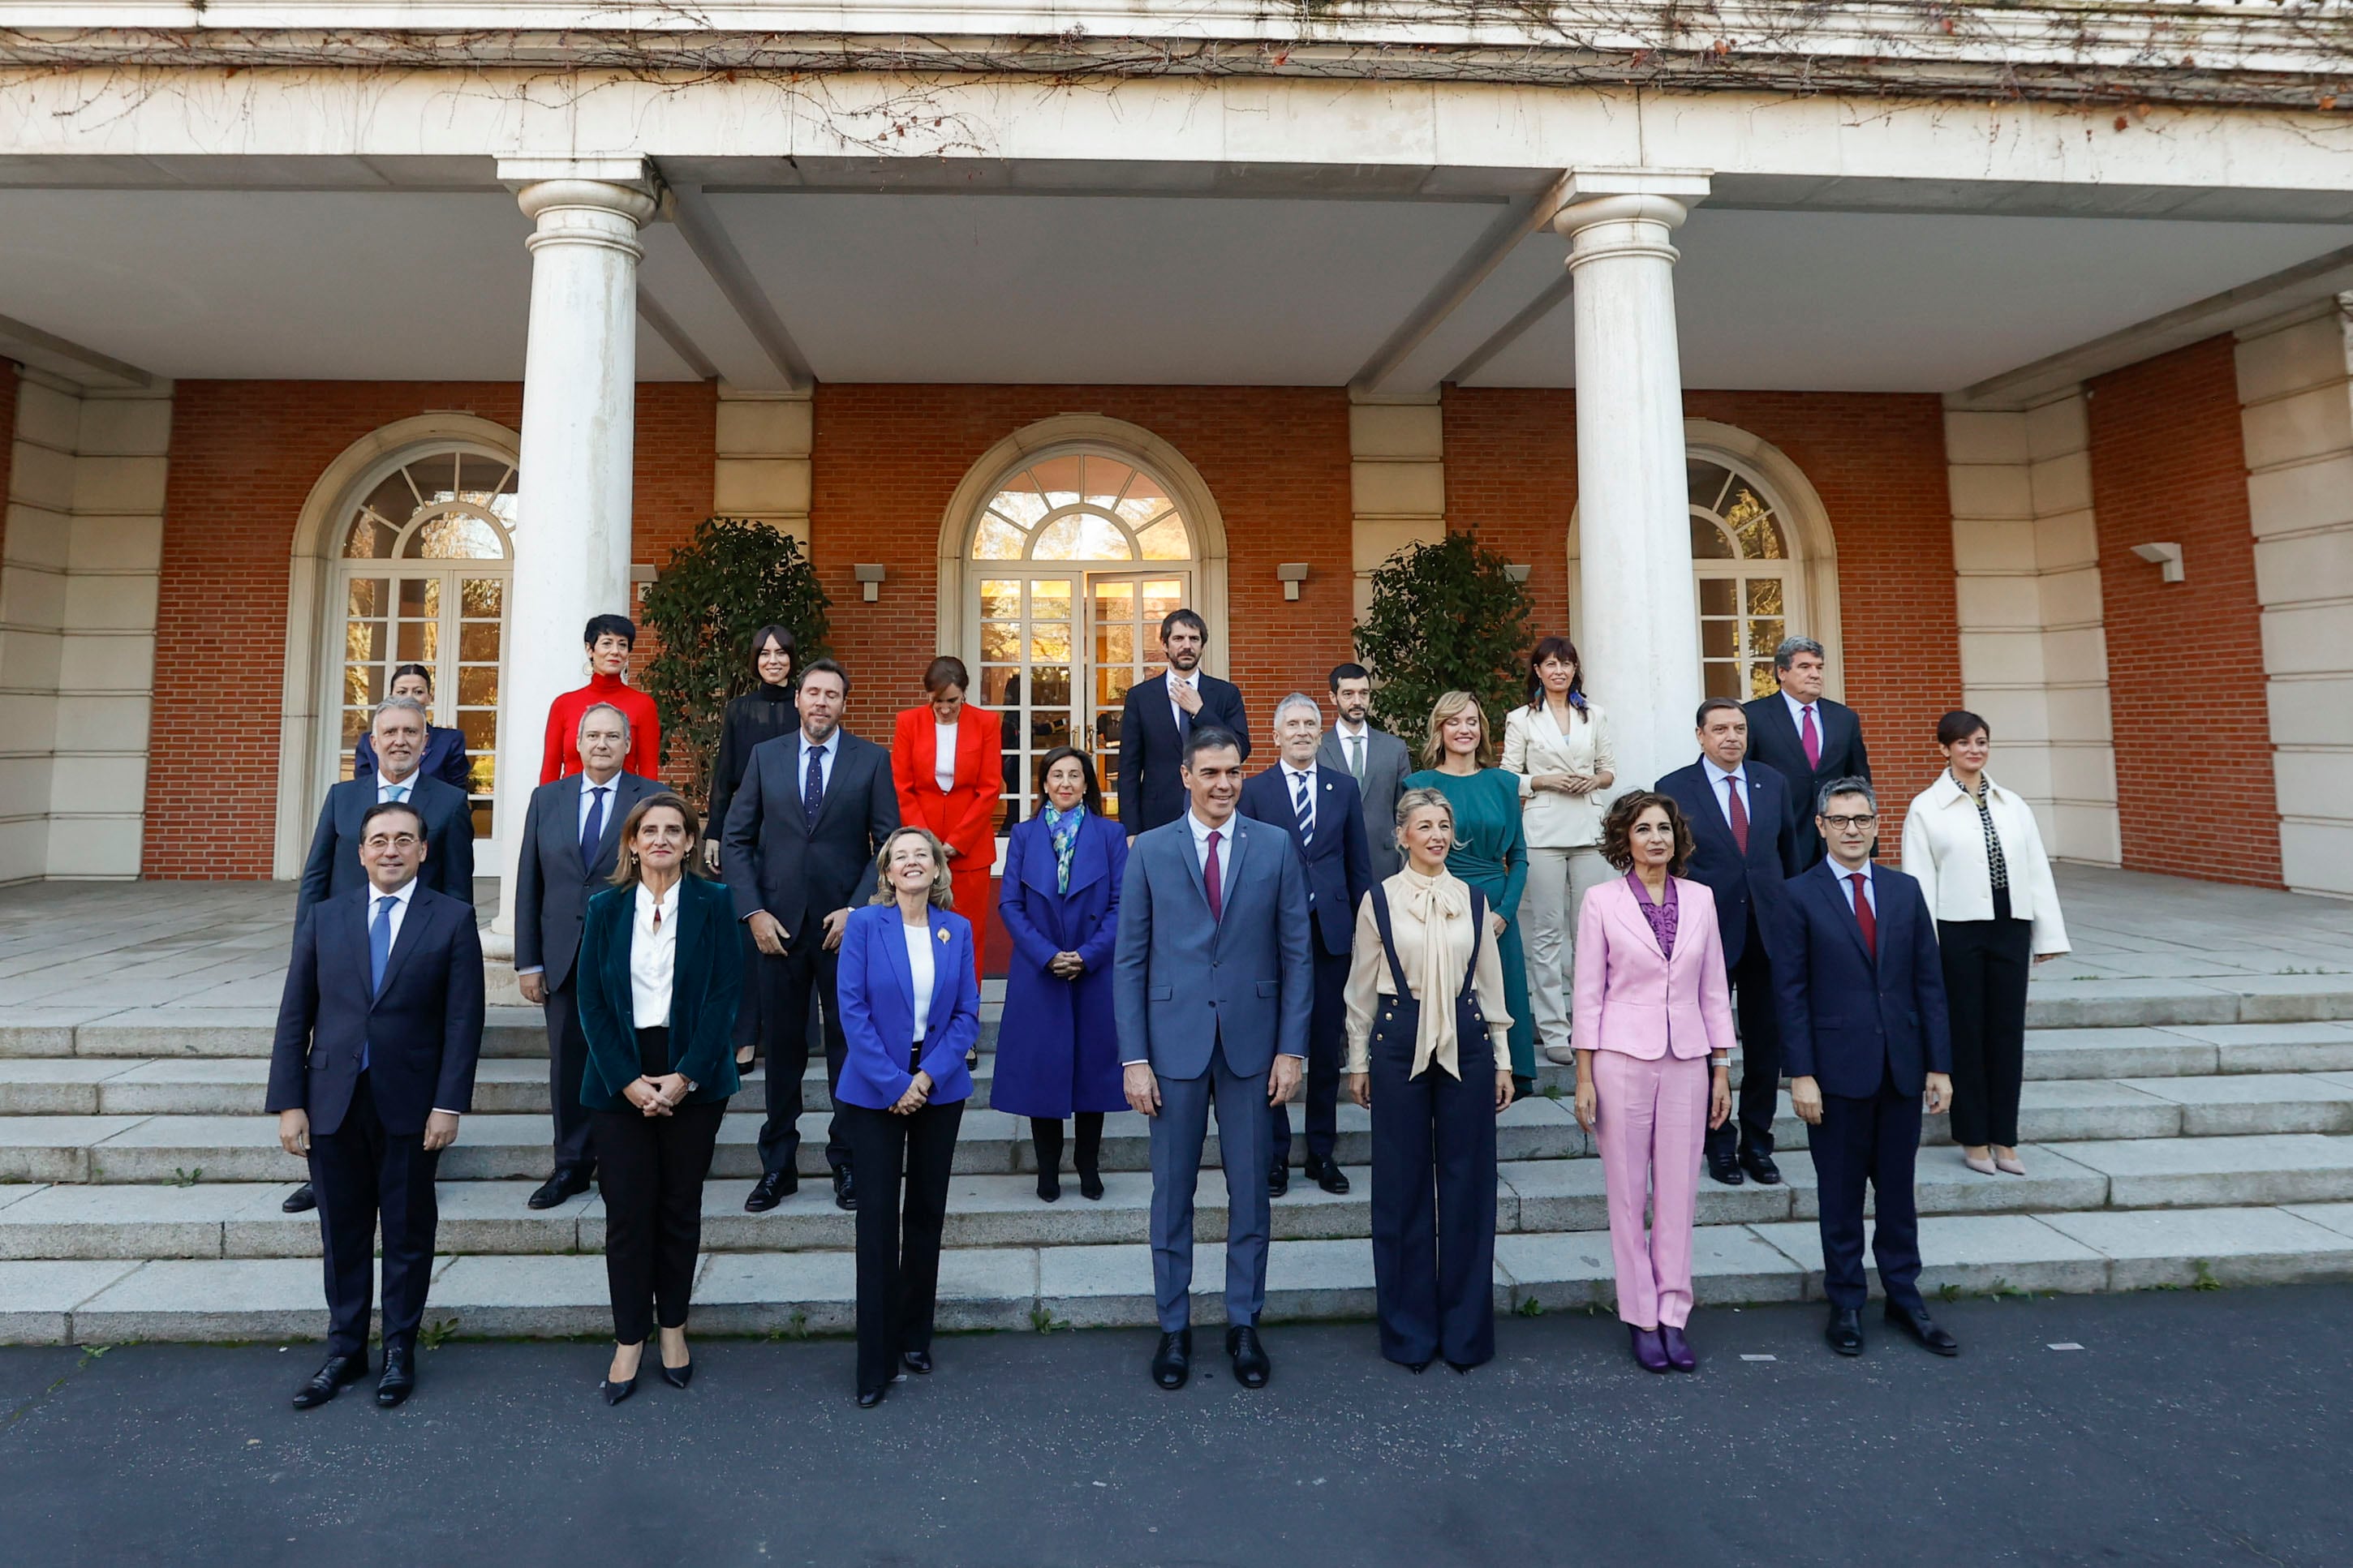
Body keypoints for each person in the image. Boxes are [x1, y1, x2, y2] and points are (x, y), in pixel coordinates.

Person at [269, 798, 484, 1410]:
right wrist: (289, 1101)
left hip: (412, 1105)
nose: (391, 849)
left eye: (403, 840)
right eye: (379, 839)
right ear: (361, 851)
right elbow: (295, 1015)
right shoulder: (325, 917)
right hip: (332, 1100)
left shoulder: (451, 918)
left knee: (410, 1230)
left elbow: (464, 1020)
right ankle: (343, 1349)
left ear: (422, 850)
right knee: (342, 1232)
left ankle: (398, 1348)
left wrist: (449, 1104)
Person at [1115, 727, 1311, 1392]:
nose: (1223, 784)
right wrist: (1133, 1057)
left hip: (1255, 1049)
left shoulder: (1276, 846)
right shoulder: (1149, 852)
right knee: (1172, 1194)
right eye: (1210, 772)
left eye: (1232, 771)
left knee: (1251, 1193)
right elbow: (1130, 960)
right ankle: (1174, 1328)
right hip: (1171, 1048)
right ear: (1185, 776)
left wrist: (1293, 1047)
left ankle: (1242, 1323)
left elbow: (1296, 955)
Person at [1775, 778, 1959, 1359]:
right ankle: (1847, 1300)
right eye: (1840, 819)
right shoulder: (1798, 894)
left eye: (1862, 818)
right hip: (1834, 1073)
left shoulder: (1904, 892)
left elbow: (1928, 983)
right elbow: (1791, 992)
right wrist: (1800, 1073)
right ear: (1821, 826)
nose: (1852, 829)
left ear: (1877, 824)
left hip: (1902, 1069)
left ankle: (1905, 1296)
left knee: (1898, 1193)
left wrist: (1939, 1064)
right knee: (1840, 1193)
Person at [575, 793, 743, 1403]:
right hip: (618, 1077)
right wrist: (628, 1080)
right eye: (650, 830)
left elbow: (727, 993)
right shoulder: (604, 906)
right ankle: (628, 1338)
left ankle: (672, 1329)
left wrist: (685, 1076)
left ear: (692, 841)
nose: (662, 839)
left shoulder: (716, 902)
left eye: (675, 829)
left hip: (691, 1079)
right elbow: (590, 1000)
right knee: (626, 1215)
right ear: (632, 841)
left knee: (678, 1208)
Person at [1344, 787, 1515, 1373]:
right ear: (1402, 835)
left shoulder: (1473, 897)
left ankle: (1466, 1334)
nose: (1438, 834)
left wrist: (1503, 1055)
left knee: (1469, 1186)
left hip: (1465, 1040)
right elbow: (1360, 988)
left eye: (1445, 824)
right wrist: (1357, 1060)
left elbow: (1489, 981)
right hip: (1398, 1041)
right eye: (1425, 825)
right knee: (1401, 1188)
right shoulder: (1380, 901)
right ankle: (1408, 1332)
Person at [721, 658, 899, 1214]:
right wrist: (752, 912)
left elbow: (889, 843)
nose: (822, 702)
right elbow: (735, 838)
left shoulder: (870, 760)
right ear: (798, 699)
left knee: (848, 1049)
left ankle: (846, 1161)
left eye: (833, 695)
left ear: (845, 704)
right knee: (784, 1054)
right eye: (813, 693)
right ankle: (778, 1165)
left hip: (846, 931)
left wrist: (860, 910)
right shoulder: (764, 757)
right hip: (777, 930)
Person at [1571, 792, 1733, 1374]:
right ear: (1625, 840)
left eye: (1665, 827)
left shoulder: (1702, 899)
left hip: (1688, 1058)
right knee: (1627, 1195)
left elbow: (1715, 988)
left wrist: (1722, 1068)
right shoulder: (1600, 902)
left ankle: (1673, 1313)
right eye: (1643, 829)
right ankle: (1641, 1316)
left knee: (1677, 1196)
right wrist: (1584, 1075)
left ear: (1677, 837)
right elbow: (1588, 993)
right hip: (1620, 1059)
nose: (1656, 838)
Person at [833, 827, 981, 1407]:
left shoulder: (958, 929)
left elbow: (968, 1014)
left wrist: (925, 1079)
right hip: (874, 1092)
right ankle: (874, 1359)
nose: (913, 862)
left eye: (923, 854)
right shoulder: (866, 926)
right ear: (888, 872)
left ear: (937, 868)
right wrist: (896, 1082)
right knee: (876, 1223)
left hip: (938, 1090)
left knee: (924, 1215)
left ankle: (915, 1336)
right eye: (902, 856)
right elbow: (852, 1009)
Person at [1901, 711, 2071, 1178]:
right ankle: (1973, 1137)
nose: (1974, 750)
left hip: (2009, 928)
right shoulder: (1926, 808)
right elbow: (1919, 881)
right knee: (1967, 1035)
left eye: (1981, 741)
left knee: (2005, 1033)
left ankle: (2005, 1138)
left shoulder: (2013, 804)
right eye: (1963, 743)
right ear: (1944, 749)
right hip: (1957, 931)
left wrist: (2048, 934)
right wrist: (1925, 948)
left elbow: (2036, 868)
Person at [513, 703, 661, 1210]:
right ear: (576, 744)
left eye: (612, 736)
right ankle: (572, 1165)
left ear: (627, 745)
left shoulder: (652, 800)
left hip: (632, 954)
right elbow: (530, 884)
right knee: (569, 1063)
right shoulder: (546, 798)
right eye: (593, 735)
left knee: (626, 1057)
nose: (602, 744)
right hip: (563, 955)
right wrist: (528, 961)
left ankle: (624, 1164)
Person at [1656, 698, 1800, 1188]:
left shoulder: (1772, 783)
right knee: (1704, 1045)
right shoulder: (1673, 789)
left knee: (1765, 1046)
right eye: (1719, 729)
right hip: (1705, 933)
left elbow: (1791, 860)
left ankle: (1757, 1143)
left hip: (1767, 934)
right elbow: (1669, 867)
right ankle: (1717, 1142)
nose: (1731, 737)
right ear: (1700, 735)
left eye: (1738, 728)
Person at [1241, 692, 1371, 1197]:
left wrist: (1367, 930)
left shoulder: (1344, 788)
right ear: (1275, 735)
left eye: (1309, 724)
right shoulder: (1254, 791)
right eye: (1291, 724)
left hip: (1331, 935)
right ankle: (1276, 1156)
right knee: (1275, 1045)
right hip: (1270, 937)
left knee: (1323, 1046)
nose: (1301, 731)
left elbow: (1358, 863)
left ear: (1322, 733)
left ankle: (1321, 1154)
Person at [995, 747, 1127, 1203]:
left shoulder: (1112, 835)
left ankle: (1088, 1165)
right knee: (1042, 1071)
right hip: (1039, 970)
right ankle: (1047, 1170)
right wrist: (1047, 955)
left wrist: (1087, 955)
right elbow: (1009, 904)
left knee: (1094, 1071)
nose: (1066, 782)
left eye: (1075, 775)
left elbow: (1120, 905)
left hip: (1094, 971)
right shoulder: (1025, 834)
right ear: (1045, 784)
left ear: (1087, 783)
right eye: (1057, 775)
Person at [1401, 693, 1536, 1098]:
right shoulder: (1419, 784)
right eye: (1455, 722)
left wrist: (1505, 913)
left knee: (1498, 1009)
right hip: (1437, 907)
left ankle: (1485, 1140)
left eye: (1473, 721)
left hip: (1496, 914)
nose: (1465, 730)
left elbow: (1520, 857)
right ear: (1440, 729)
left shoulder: (1504, 783)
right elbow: (1411, 851)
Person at [1501, 637, 1617, 1068]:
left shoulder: (1595, 714)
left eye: (1565, 664)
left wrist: (1594, 781)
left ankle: (1591, 1023)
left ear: (1575, 670)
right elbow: (1509, 776)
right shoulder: (1522, 719)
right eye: (1550, 664)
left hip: (1588, 826)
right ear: (1537, 671)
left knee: (1589, 930)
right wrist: (1545, 782)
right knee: (1547, 933)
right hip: (1544, 830)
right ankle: (1554, 1029)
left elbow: (1609, 769)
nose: (1558, 671)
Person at [703, 625, 800, 1069]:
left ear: (792, 659)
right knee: (746, 935)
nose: (773, 660)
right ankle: (743, 1036)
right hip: (746, 830)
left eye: (781, 653)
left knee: (789, 928)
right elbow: (723, 777)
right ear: (755, 659)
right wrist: (715, 833)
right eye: (765, 653)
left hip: (794, 830)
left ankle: (784, 1033)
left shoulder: (806, 707)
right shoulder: (740, 710)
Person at [298, 698, 476, 926]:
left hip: (420, 937)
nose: (399, 741)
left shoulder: (451, 803)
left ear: (425, 742)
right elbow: (315, 878)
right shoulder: (341, 798)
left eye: (410, 732)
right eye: (390, 732)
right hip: (345, 932)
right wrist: (304, 947)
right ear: (374, 742)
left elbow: (458, 889)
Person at [890, 655, 1003, 1001]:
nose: (944, 709)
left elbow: (989, 788)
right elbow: (903, 785)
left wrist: (957, 841)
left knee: (969, 935)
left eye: (951, 701)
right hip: (920, 845)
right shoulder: (908, 722)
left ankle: (965, 1022)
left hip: (969, 848)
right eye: (937, 702)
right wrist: (926, 844)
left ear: (964, 695)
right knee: (920, 933)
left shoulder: (986, 723)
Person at [1116, 608, 1250, 837]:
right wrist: (1130, 830)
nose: (1186, 646)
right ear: (1165, 645)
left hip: (1216, 811)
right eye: (1178, 639)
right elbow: (1128, 768)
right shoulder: (1141, 697)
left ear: (1202, 645)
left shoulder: (1226, 693)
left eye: (1194, 639)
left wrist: (1200, 711)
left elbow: (1241, 748)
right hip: (1157, 816)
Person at [1743, 636, 1870, 870]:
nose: (1815, 674)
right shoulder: (1753, 716)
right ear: (1782, 672)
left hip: (1835, 839)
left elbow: (1860, 781)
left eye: (1819, 667)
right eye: (1805, 667)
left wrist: (1867, 838)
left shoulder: (1844, 719)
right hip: (1779, 842)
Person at [540, 613, 660, 784]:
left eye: (622, 645)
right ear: (590, 649)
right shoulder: (564, 704)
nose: (615, 651)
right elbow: (549, 773)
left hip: (625, 806)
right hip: (569, 805)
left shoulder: (643, 705)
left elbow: (649, 775)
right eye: (607, 643)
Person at [1319, 663, 1412, 882]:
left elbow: (1405, 810)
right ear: (1333, 697)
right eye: (1348, 694)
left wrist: (1406, 861)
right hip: (1332, 863)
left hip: (1385, 862)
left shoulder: (1394, 748)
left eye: (1364, 693)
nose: (1357, 701)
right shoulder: (1317, 748)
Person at [352, 662, 473, 793]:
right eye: (402, 692)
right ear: (391, 696)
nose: (410, 697)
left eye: (418, 692)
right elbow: (362, 791)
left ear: (429, 697)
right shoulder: (369, 742)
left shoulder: (449, 741)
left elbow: (456, 795)